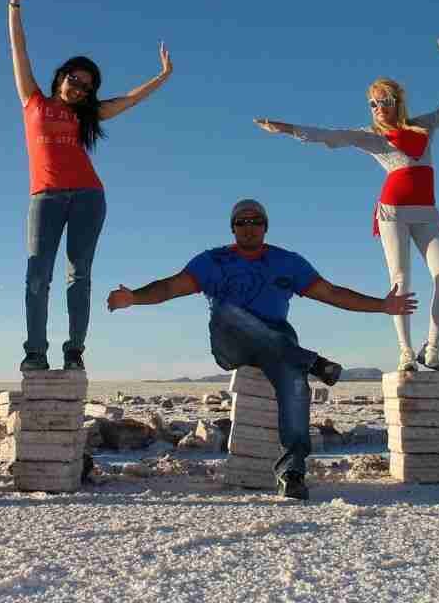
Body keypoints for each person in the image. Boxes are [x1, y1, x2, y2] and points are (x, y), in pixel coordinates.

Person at [106, 199, 418, 500]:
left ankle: (292, 473)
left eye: (256, 221)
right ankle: (311, 361)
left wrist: (382, 306)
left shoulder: (287, 262)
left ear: (266, 226)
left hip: (277, 344)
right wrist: (134, 297)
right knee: (226, 310)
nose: (249, 227)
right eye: (241, 222)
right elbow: (170, 286)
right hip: (232, 341)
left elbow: (332, 293)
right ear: (232, 228)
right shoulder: (213, 261)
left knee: (295, 383)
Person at [254, 38, 439, 372]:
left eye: (382, 100)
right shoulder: (372, 135)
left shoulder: (423, 127)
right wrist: (286, 128)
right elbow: (331, 135)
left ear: (396, 101)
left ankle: (433, 347)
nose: (377, 107)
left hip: (427, 212)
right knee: (401, 281)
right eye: (371, 103)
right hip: (392, 212)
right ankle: (405, 352)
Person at [8, 0, 173, 372]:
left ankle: (74, 351)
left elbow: (130, 100)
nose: (79, 88)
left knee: (78, 276)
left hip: (87, 196)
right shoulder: (33, 101)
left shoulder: (87, 114)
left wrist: (162, 76)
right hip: (45, 197)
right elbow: (20, 51)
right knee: (37, 276)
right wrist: (14, 8)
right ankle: (35, 352)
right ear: (60, 77)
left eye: (87, 86)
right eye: (74, 79)